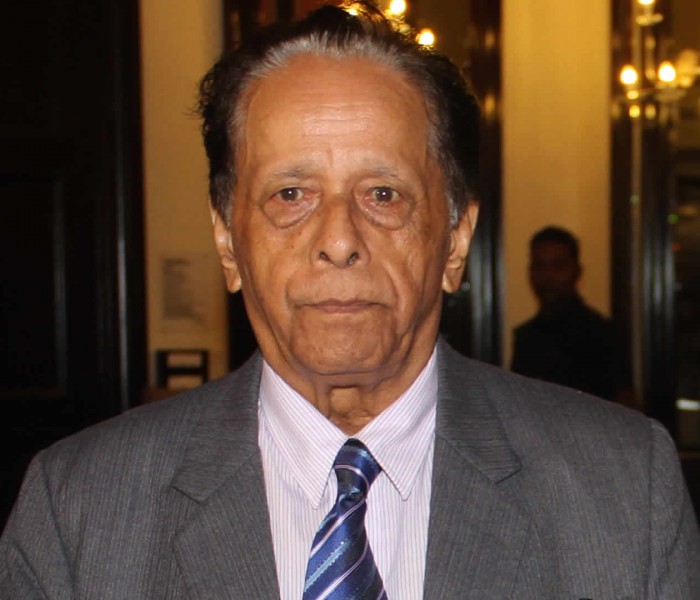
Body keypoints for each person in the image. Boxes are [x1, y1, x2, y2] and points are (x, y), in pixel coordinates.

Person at [1, 2, 698, 598]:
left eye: (383, 194)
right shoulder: (79, 509)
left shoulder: (622, 492)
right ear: (227, 242)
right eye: (291, 195)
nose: (338, 239)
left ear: (455, 240)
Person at [511, 226, 634, 404]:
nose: (548, 276)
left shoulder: (603, 335)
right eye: (539, 266)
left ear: (577, 271)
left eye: (558, 266)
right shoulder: (526, 338)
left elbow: (625, 406)